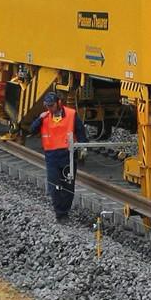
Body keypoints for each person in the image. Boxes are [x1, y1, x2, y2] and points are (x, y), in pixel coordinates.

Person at [28, 91, 87, 222]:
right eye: (47, 106)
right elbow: (31, 130)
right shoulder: (45, 117)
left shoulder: (71, 114)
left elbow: (80, 131)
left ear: (58, 103)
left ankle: (64, 212)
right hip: (52, 157)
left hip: (68, 155)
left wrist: (83, 149)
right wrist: (39, 119)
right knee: (54, 186)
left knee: (68, 186)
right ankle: (59, 213)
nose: (50, 108)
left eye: (51, 106)